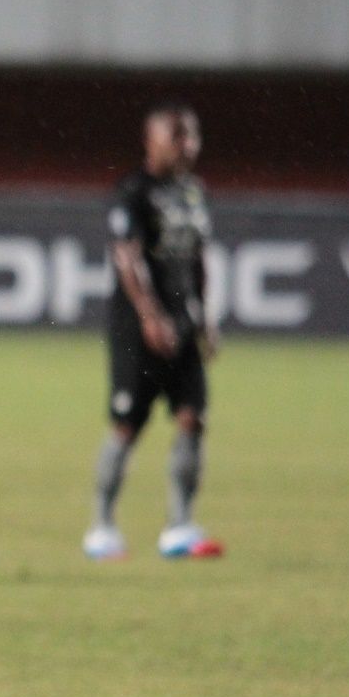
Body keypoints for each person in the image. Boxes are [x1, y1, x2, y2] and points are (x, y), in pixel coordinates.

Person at [83, 102, 223, 561]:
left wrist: (203, 318)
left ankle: (179, 527)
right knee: (127, 424)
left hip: (183, 325)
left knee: (192, 417)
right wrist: (149, 315)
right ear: (151, 142)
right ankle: (102, 527)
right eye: (177, 137)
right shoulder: (133, 192)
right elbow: (128, 257)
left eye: (192, 136)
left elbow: (198, 258)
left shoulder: (193, 193)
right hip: (136, 330)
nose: (187, 146)